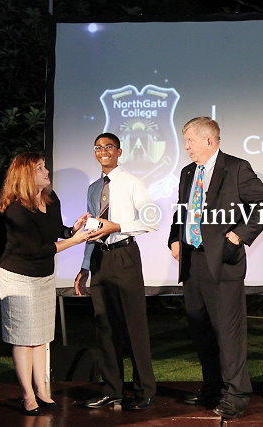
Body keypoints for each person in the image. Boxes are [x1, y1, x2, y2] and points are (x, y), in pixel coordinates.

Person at [168, 117, 263, 419]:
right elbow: (182, 210)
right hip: (193, 261)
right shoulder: (188, 172)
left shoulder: (236, 168)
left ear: (209, 140)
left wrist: (238, 235)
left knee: (227, 333)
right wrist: (174, 238)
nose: (186, 147)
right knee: (201, 329)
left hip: (223, 263)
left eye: (190, 141)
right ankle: (212, 388)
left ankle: (236, 394)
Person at [0, 152, 92, 416]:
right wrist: (73, 242)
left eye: (44, 166)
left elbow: (53, 231)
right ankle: (28, 395)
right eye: (40, 168)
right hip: (18, 277)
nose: (46, 171)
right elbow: (35, 249)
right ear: (26, 175)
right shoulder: (16, 209)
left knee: (40, 337)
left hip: (43, 276)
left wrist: (71, 230)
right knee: (23, 338)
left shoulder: (51, 198)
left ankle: (42, 391)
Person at [74, 132, 158, 410]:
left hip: (124, 255)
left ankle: (145, 390)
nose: (103, 151)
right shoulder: (93, 188)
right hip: (100, 259)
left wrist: (117, 226)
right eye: (98, 147)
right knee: (104, 326)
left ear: (119, 152)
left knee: (134, 325)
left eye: (109, 146)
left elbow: (151, 220)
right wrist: (85, 267)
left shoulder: (132, 182)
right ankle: (112, 390)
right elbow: (91, 230)